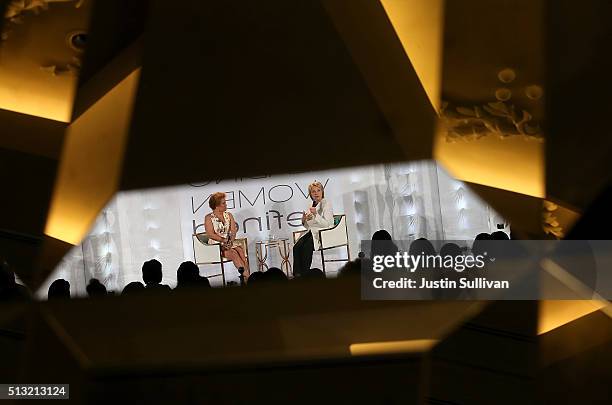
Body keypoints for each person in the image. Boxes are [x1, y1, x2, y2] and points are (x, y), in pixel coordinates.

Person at [292, 181, 334, 277]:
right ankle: (297, 275)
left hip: (323, 233)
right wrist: (304, 221)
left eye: (318, 190)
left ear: (322, 191)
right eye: (313, 191)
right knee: (297, 247)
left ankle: (305, 275)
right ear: (310, 194)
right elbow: (309, 225)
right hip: (312, 232)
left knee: (307, 247)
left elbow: (327, 224)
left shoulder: (327, 204)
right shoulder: (311, 204)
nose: (316, 193)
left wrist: (316, 214)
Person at [204, 192, 250, 278]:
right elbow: (210, 234)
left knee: (240, 250)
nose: (226, 204)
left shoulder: (229, 215)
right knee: (234, 253)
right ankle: (248, 278)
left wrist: (230, 241)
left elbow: (233, 231)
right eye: (223, 203)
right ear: (217, 206)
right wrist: (223, 240)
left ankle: (246, 278)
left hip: (228, 242)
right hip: (216, 245)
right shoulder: (209, 218)